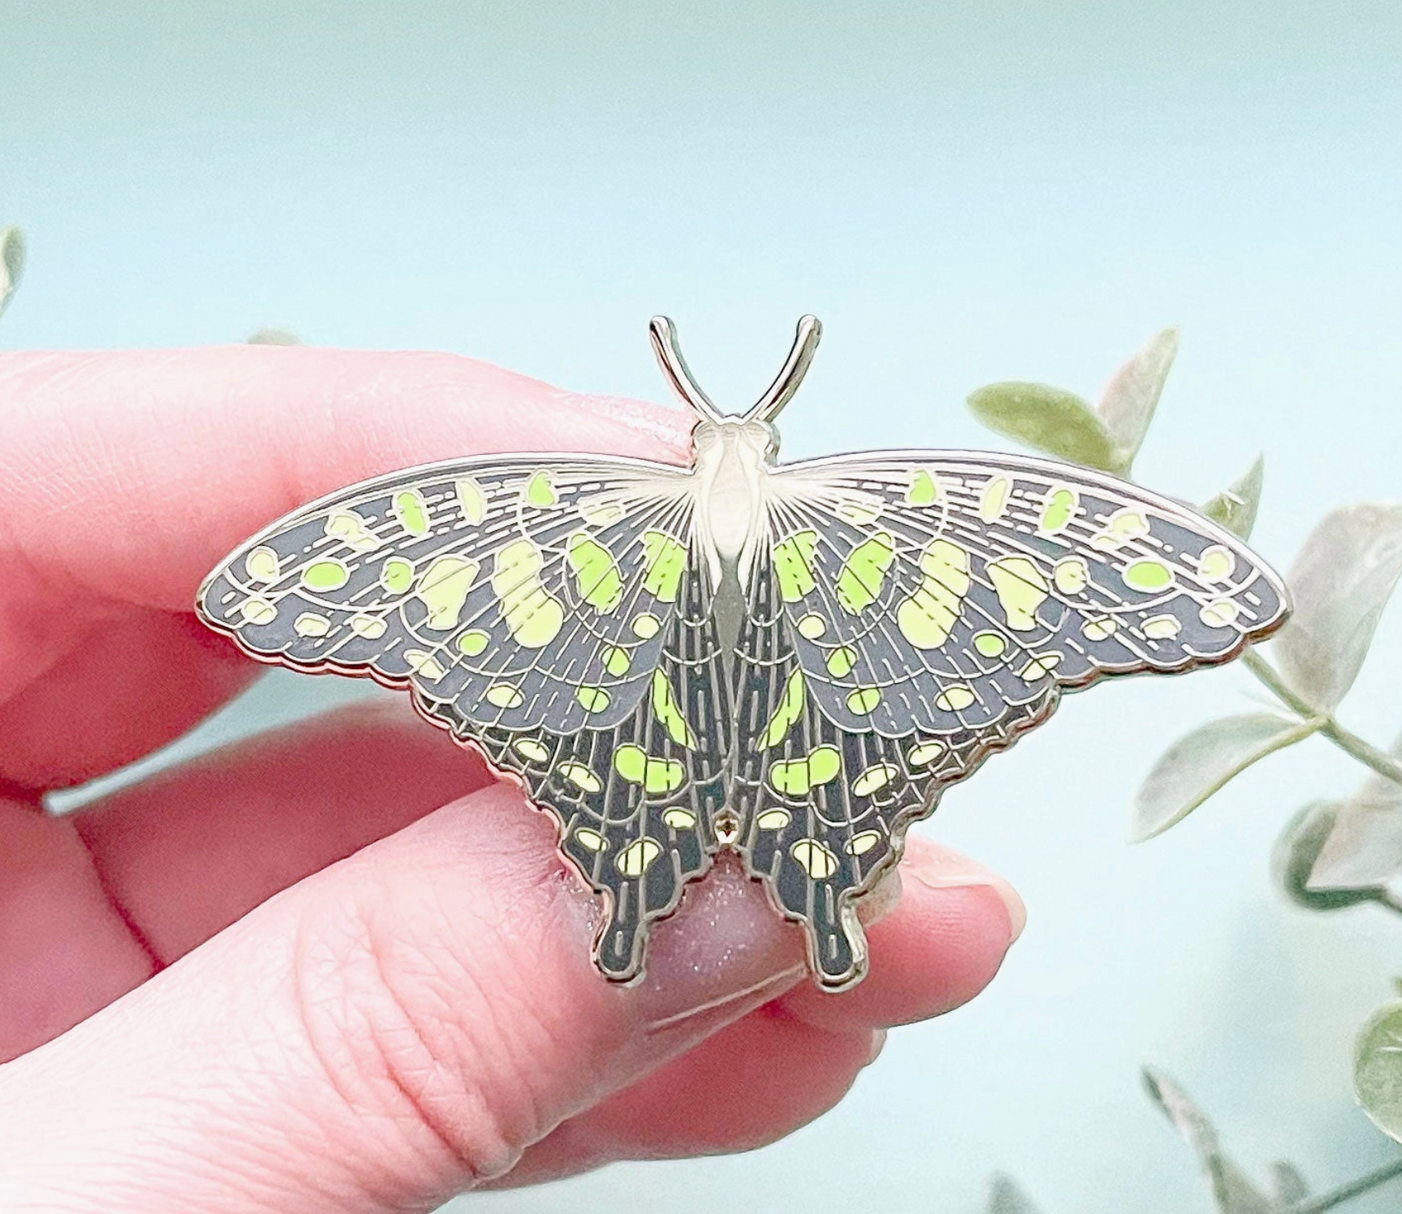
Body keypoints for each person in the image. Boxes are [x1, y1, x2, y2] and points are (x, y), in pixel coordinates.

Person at [0, 345, 1025, 1212]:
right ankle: (767, 900)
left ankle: (655, 904)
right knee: (781, 846)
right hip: (768, 719)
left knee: (666, 841)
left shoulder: (565, 521)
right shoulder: (903, 520)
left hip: (654, 719)